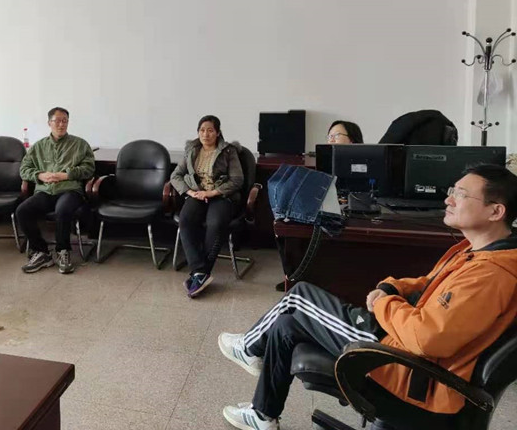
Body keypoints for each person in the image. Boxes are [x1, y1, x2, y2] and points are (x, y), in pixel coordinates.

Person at [218, 164, 517, 430]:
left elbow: (427, 338)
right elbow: (428, 283)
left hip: (409, 369)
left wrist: (385, 303)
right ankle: (262, 413)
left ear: (495, 211)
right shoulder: (477, 252)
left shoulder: (491, 275)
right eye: (452, 191)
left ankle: (249, 347)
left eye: (461, 195)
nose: (448, 200)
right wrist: (392, 287)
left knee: (300, 297)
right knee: (286, 325)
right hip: (403, 344)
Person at [273, 119, 365, 292]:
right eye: (329, 136)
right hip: (326, 206)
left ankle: (313, 277)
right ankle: (293, 275)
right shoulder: (324, 160)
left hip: (350, 208)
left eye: (336, 135)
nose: (331, 140)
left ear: (352, 140)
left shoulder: (362, 161)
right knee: (284, 224)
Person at [170, 115, 243, 297]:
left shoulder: (228, 151)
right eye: (202, 130)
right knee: (185, 220)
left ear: (218, 133)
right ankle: (200, 271)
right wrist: (189, 192)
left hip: (221, 196)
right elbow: (175, 176)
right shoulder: (192, 150)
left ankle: (200, 273)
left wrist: (212, 193)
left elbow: (237, 180)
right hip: (197, 195)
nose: (206, 134)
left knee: (215, 223)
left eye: (210, 130)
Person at [17, 107, 95, 274]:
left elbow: (89, 169)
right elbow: (24, 169)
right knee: (23, 210)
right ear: (49, 123)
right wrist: (40, 175)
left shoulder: (80, 144)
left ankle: (63, 251)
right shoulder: (39, 146)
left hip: (70, 190)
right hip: (45, 190)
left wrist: (66, 175)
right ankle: (42, 252)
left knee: (63, 209)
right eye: (57, 121)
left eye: (65, 121)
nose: (61, 124)